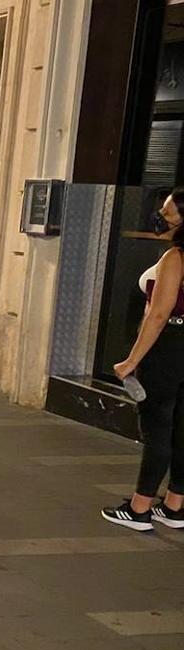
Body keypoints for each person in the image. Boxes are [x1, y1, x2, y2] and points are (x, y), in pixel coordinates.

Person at [104, 188, 184, 532]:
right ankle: (175, 505)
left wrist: (131, 360)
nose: (159, 218)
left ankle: (139, 508)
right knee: (182, 430)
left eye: (166, 214)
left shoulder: (175, 258)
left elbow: (159, 315)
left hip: (168, 350)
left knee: (157, 430)